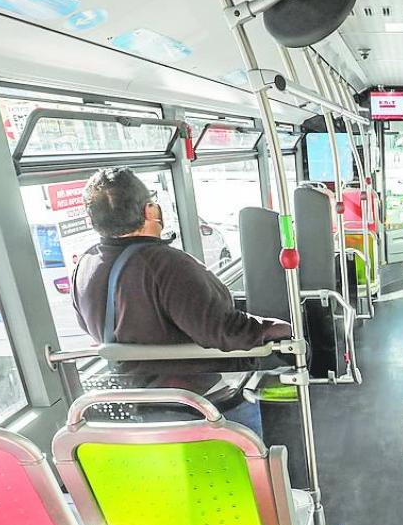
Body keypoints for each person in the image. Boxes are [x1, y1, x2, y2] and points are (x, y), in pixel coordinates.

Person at [71, 167, 291, 434]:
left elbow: (88, 326)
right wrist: (278, 329)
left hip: (135, 401)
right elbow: (222, 331)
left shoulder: (85, 266)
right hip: (199, 401)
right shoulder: (168, 264)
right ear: (150, 210)